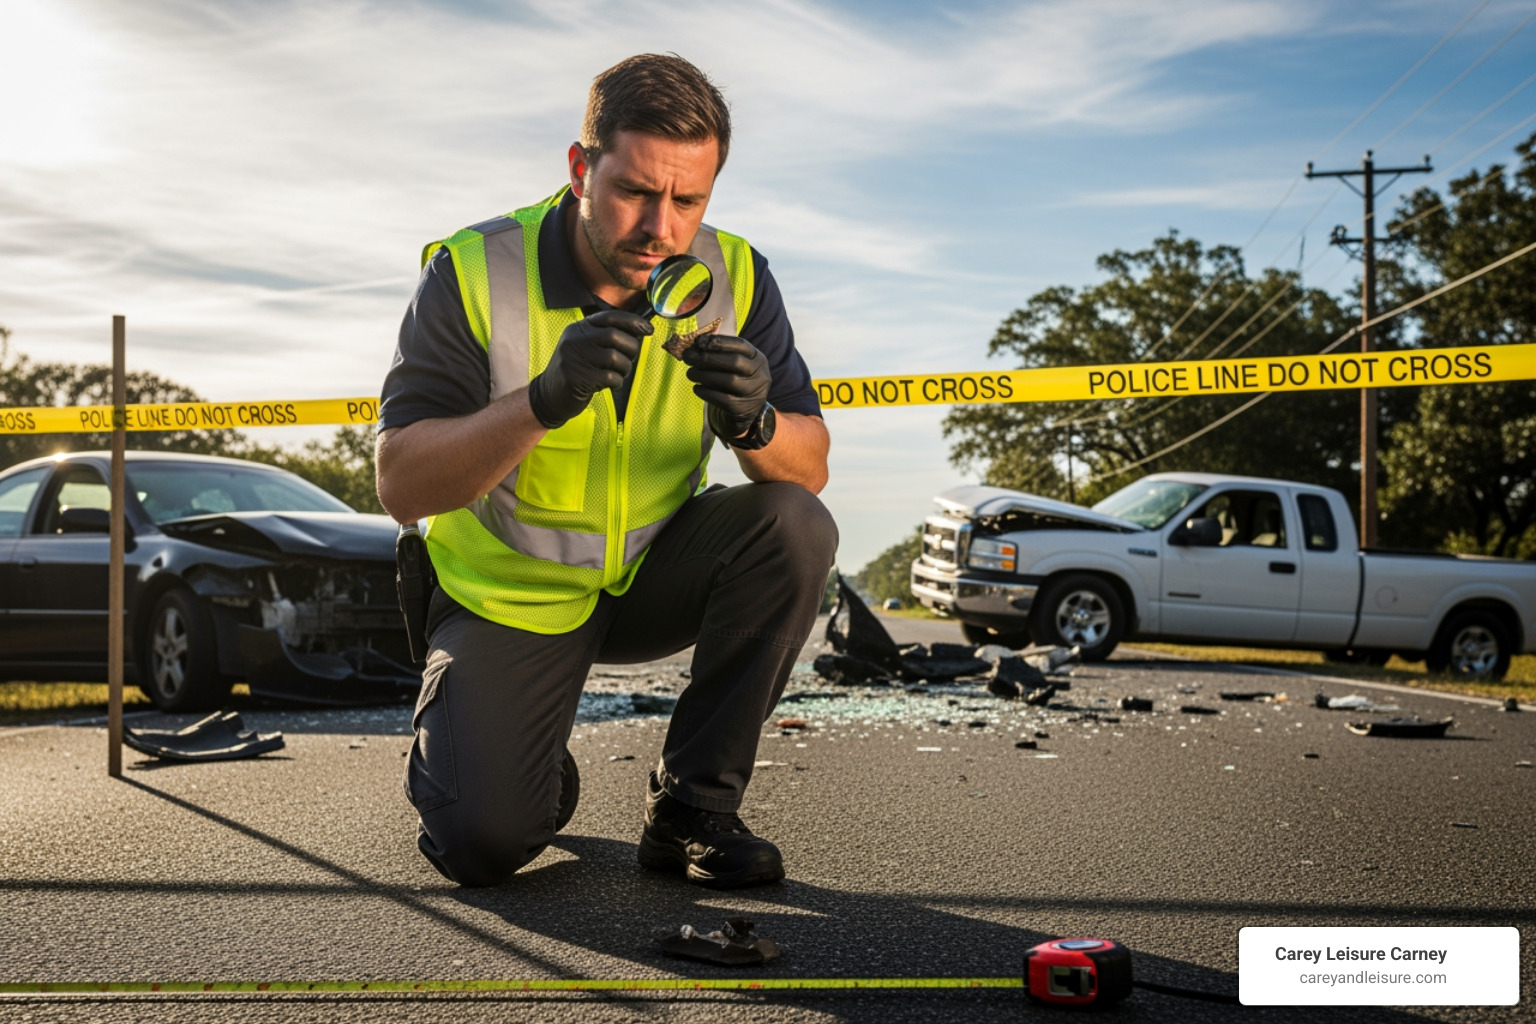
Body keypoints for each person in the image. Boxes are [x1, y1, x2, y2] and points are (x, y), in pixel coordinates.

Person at [375, 54, 837, 889]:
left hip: (651, 576)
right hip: (509, 596)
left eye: (688, 199)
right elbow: (401, 483)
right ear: (581, 169)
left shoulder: (734, 274)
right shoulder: (475, 271)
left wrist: (756, 422)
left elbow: (807, 471)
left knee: (794, 527)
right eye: (633, 190)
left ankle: (692, 809)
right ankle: (518, 764)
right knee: (481, 844)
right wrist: (541, 401)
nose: (659, 228)